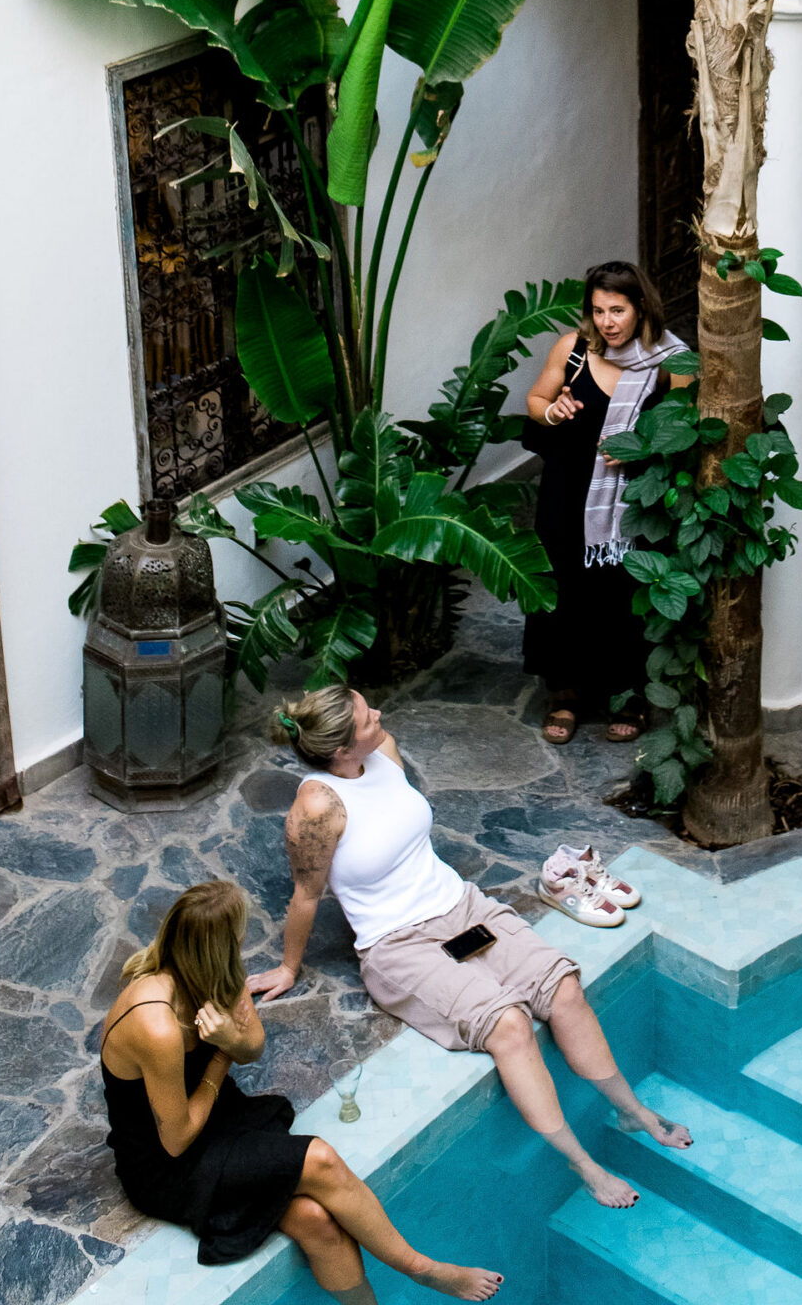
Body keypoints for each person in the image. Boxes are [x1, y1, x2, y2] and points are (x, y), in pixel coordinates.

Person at [249, 685, 692, 1210]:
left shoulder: (381, 752)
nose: (380, 715)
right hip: (397, 943)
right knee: (508, 1025)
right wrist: (287, 966)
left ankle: (631, 1110)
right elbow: (306, 893)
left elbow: (397, 813)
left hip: (462, 908)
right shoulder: (317, 805)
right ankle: (583, 1164)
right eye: (368, 718)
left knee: (563, 989)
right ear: (341, 749)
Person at [99, 878, 500, 1300]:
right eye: (237, 938)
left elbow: (251, 1045)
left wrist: (230, 1043)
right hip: (167, 1164)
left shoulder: (214, 973)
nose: (241, 945)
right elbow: (177, 1140)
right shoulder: (155, 1024)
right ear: (217, 945)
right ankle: (421, 1268)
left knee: (315, 1220)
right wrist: (220, 1055)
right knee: (320, 1159)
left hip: (215, 1119)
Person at [521, 260, 688, 744]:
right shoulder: (572, 350)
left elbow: (683, 432)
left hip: (630, 502)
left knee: (621, 595)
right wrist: (553, 411)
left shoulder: (670, 363)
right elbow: (535, 400)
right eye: (597, 311)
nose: (606, 322)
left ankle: (626, 693)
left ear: (641, 308)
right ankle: (565, 693)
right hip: (566, 493)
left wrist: (645, 449)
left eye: (617, 310)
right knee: (565, 588)